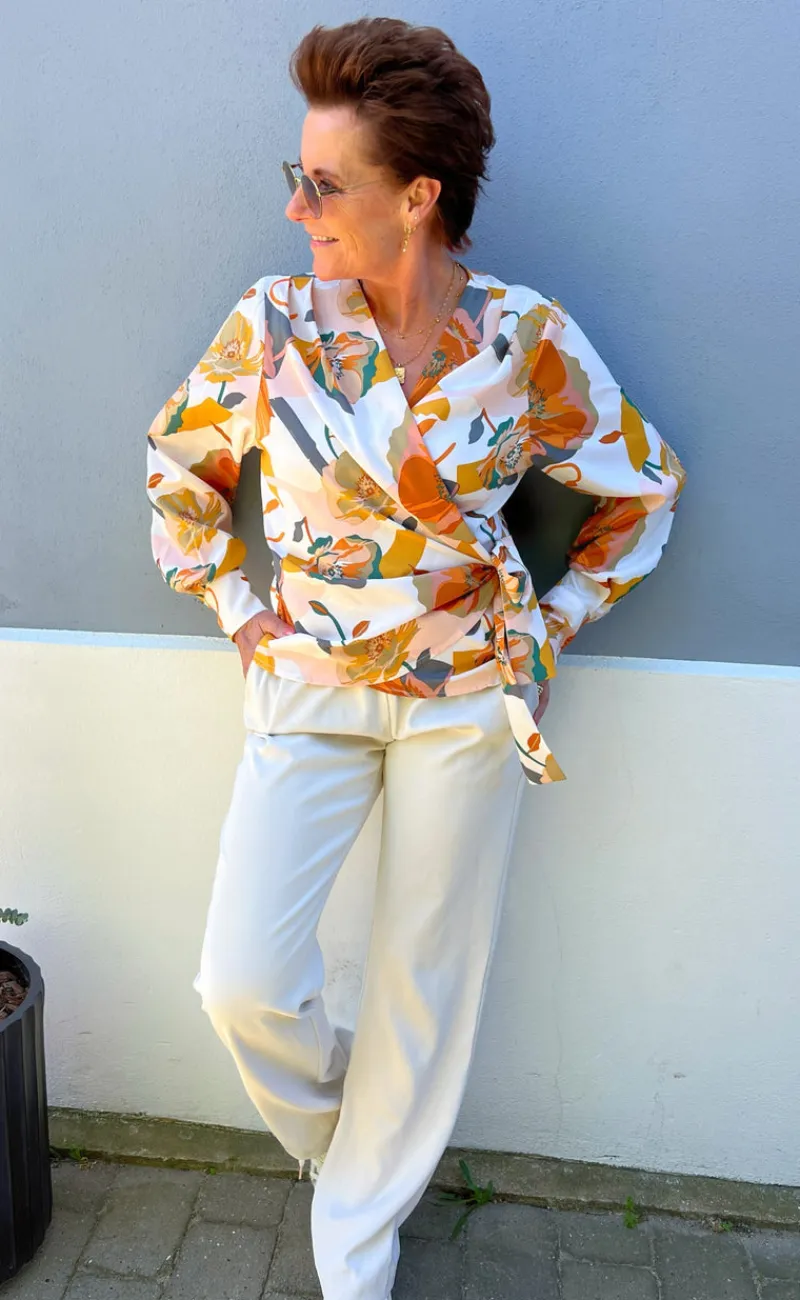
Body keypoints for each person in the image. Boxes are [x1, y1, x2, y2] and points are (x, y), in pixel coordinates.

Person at [145, 17, 686, 1299]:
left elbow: (641, 490)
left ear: (416, 196)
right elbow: (179, 474)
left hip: (468, 695)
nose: (296, 208)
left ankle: (356, 1241)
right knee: (240, 980)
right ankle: (352, 1156)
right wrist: (239, 607)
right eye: (296, 177)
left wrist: (552, 619)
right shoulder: (274, 324)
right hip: (311, 683)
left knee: (419, 985)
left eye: (323, 184)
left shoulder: (521, 340)